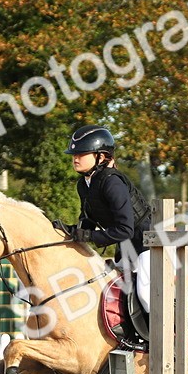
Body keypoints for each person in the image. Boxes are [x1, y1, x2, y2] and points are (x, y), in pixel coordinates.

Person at [63, 125, 154, 312]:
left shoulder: (112, 182)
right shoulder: (84, 184)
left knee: (145, 295)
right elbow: (87, 220)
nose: (75, 158)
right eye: (74, 154)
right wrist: (68, 231)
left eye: (82, 153)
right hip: (126, 248)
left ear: (101, 157)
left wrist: (88, 236)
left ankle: (181, 331)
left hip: (148, 245)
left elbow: (125, 229)